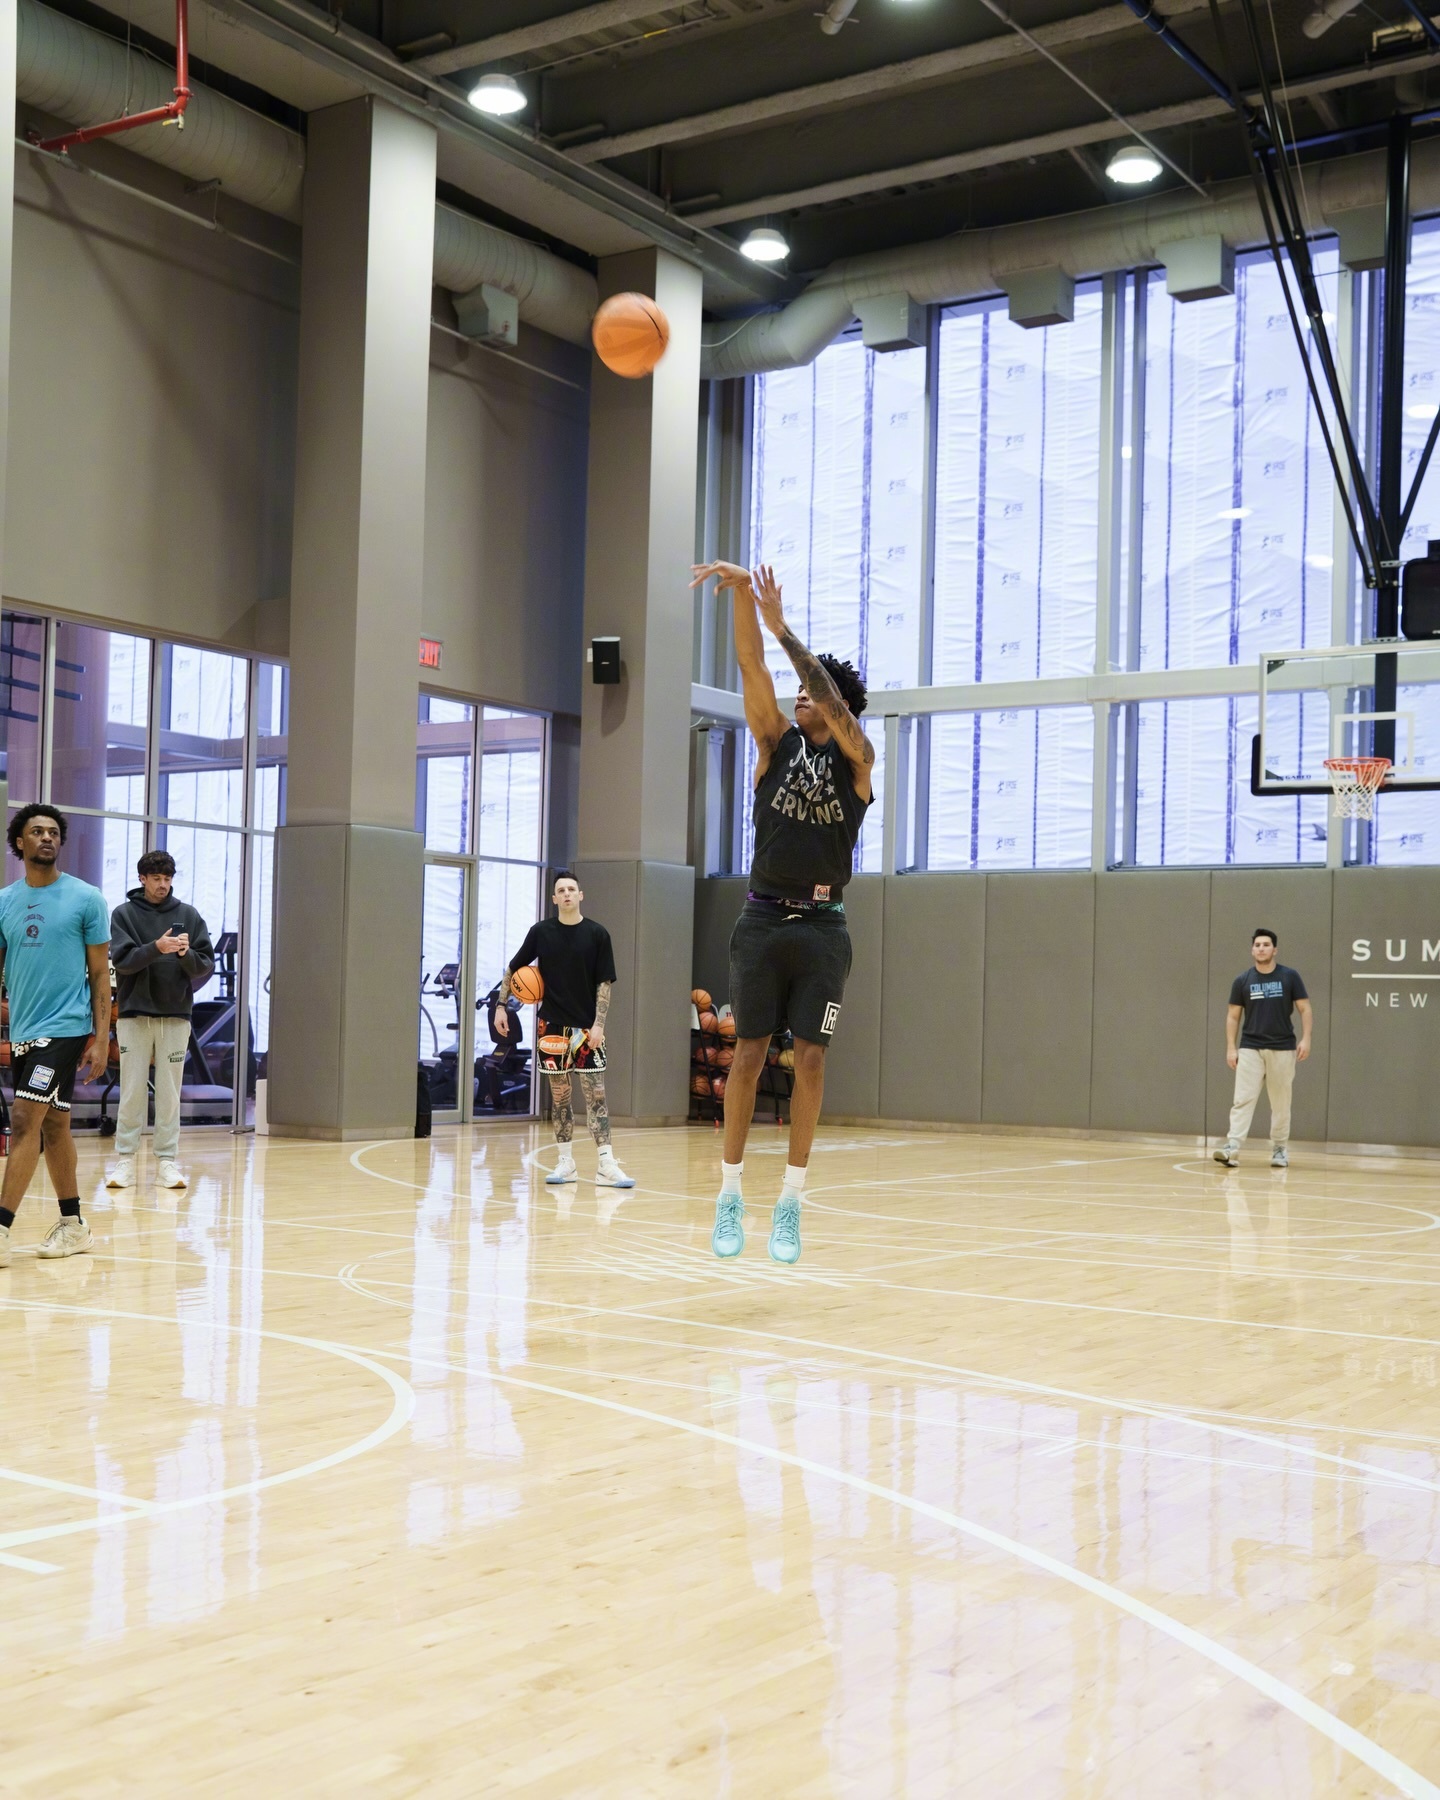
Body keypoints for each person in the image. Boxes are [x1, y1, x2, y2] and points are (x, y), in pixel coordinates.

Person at [689, 561, 873, 1266]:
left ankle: (791, 1202)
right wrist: (743, 595)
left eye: (812, 692)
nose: (799, 695)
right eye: (798, 690)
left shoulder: (858, 762)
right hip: (763, 921)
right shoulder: (774, 741)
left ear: (836, 706)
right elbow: (750, 663)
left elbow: (822, 689)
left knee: (812, 1061)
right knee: (748, 1053)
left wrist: (786, 629)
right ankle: (730, 1194)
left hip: (824, 927)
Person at [0, 804, 111, 1266]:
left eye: (53, 832)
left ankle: (0, 1228)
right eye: (37, 831)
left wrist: (101, 1038)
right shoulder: (5, 901)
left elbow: (100, 973)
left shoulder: (87, 898)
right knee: (54, 1126)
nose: (47, 837)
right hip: (24, 1032)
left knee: (25, 1119)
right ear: (19, 842)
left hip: (65, 1029)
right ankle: (73, 1225)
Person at [497, 872, 634, 1189]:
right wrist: (500, 1005)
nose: (567, 893)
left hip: (587, 1028)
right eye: (561, 890)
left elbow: (604, 983)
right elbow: (514, 968)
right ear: (554, 899)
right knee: (560, 1098)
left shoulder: (597, 934)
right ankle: (565, 1163)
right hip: (552, 1027)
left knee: (596, 1096)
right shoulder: (541, 932)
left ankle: (606, 1165)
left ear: (580, 895)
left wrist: (599, 1024)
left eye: (572, 889)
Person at [105, 849, 215, 1191]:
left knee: (169, 1094)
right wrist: (157, 947)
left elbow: (204, 964)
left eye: (167, 878)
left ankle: (167, 1161)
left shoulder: (189, 915)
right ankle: (125, 1160)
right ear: (142, 879)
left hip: (176, 1015)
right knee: (132, 1091)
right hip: (134, 1014)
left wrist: (183, 953)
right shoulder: (124, 914)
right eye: (156, 878)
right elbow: (122, 962)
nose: (162, 884)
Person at [1215, 928, 1312, 1170]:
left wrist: (1306, 1038)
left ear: (1274, 949)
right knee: (1242, 1099)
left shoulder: (1290, 976)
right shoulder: (1242, 980)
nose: (1261, 948)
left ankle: (1279, 1148)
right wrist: (1231, 1047)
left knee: (1280, 1103)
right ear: (1252, 950)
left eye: (1266, 945)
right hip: (1250, 1047)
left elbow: (1305, 1009)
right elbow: (1233, 1016)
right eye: (1257, 945)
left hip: (1282, 1048)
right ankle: (1232, 1147)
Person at [477, 981, 526, 1112]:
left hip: (503, 1049)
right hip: (505, 1051)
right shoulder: (505, 1012)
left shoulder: (494, 1011)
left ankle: (497, 1101)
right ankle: (496, 1101)